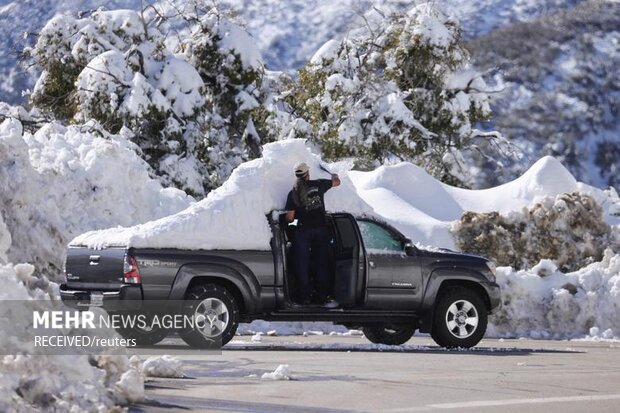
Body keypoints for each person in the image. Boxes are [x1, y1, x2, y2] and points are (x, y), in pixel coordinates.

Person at [285, 161, 341, 308]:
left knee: (302, 264)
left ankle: (305, 297)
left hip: (303, 232)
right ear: (307, 174)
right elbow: (337, 182)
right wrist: (334, 175)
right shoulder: (319, 184)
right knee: (321, 263)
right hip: (321, 231)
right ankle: (322, 296)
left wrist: (295, 223)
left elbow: (289, 218)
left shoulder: (293, 193)